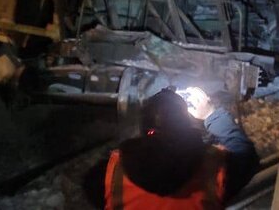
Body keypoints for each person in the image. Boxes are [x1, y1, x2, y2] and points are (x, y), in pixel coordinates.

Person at [98, 87, 259, 209]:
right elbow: (244, 152)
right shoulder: (213, 166)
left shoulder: (116, 168)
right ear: (186, 125)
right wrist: (211, 114)